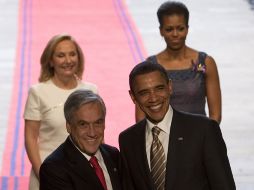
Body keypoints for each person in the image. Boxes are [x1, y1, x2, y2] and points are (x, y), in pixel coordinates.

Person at [119, 61, 235, 190]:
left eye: (159, 88)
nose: (153, 98)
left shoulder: (204, 130)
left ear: (170, 87)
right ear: (133, 97)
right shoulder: (128, 140)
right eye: (144, 92)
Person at [23, 34, 98, 190]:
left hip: (83, 173)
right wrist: (42, 173)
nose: (68, 60)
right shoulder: (38, 92)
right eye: (61, 55)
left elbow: (97, 132)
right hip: (47, 171)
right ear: (51, 61)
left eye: (72, 54)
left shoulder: (91, 90)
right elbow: (30, 138)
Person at [136, 1, 222, 124]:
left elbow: (216, 115)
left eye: (180, 28)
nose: (175, 34)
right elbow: (141, 117)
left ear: (187, 29)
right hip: (162, 140)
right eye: (169, 29)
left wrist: (204, 139)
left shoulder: (205, 63)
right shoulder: (151, 66)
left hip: (199, 139)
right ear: (161, 31)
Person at [39, 89, 121, 190]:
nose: (92, 133)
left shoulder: (113, 155)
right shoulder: (54, 169)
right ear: (68, 126)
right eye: (83, 124)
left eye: (98, 123)